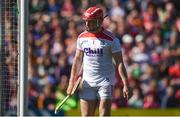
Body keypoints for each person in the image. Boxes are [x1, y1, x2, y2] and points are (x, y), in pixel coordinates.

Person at [66, 6, 130, 116]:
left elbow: (119, 63)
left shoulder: (112, 40)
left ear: (100, 21)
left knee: (104, 114)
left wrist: (126, 84)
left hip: (105, 82)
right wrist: (71, 83)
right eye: (86, 22)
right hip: (87, 83)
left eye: (91, 22)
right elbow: (77, 61)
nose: (88, 25)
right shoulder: (82, 38)